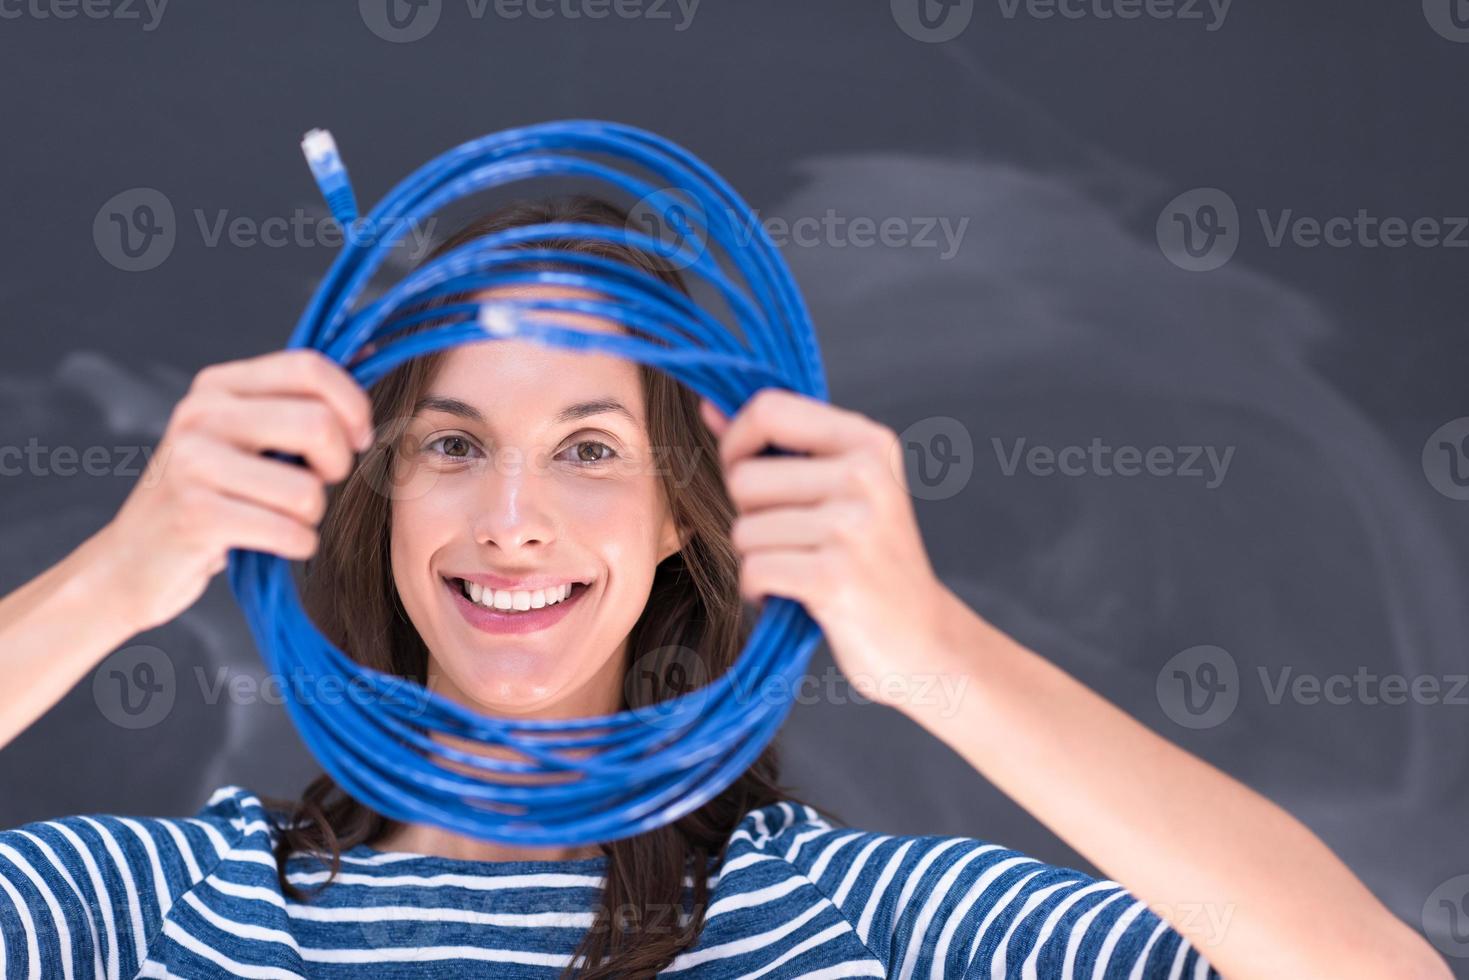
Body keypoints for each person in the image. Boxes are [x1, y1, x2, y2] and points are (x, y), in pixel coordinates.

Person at [0, 197, 1448, 979]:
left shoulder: (856, 912)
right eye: (453, 445)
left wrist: (932, 648)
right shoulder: (150, 904)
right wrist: (110, 584)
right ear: (376, 493)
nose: (512, 521)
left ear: (683, 516)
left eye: (588, 448)